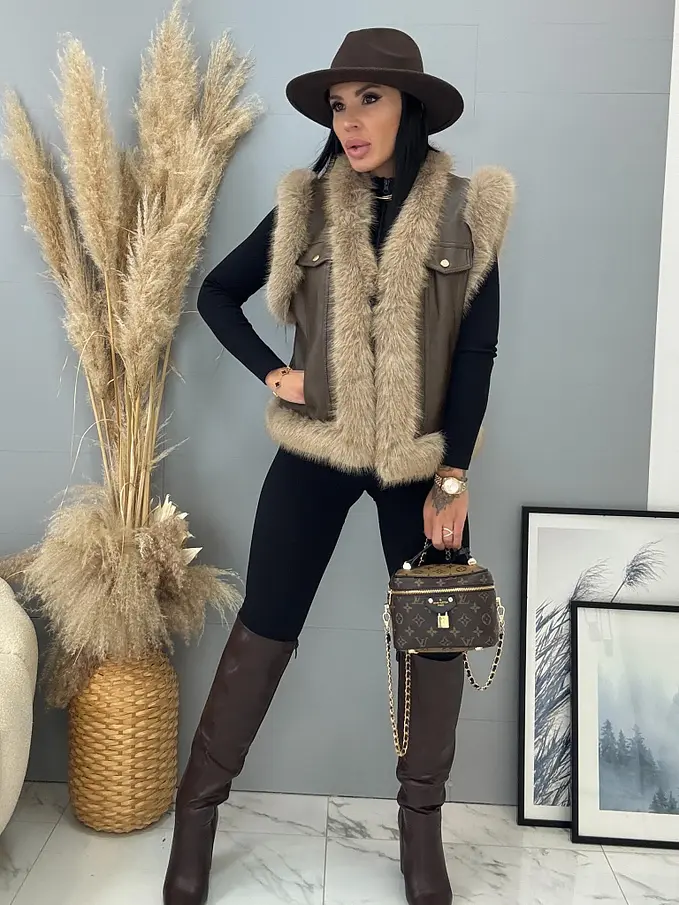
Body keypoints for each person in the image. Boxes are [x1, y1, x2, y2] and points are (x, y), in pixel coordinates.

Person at [163, 26, 514, 905]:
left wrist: (453, 475)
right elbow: (217, 293)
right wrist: (273, 373)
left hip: (417, 465)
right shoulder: (310, 207)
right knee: (265, 624)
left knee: (433, 635)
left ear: (411, 108)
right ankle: (196, 815)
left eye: (369, 99)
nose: (348, 120)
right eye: (337, 104)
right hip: (315, 451)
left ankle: (421, 830)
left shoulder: (468, 211)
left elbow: (476, 353)